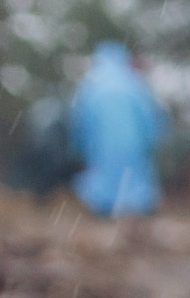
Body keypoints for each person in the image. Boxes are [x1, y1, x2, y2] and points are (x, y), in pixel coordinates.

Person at [69, 42, 165, 217]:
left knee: (104, 187)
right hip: (133, 147)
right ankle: (137, 217)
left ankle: (106, 216)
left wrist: (81, 148)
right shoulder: (133, 84)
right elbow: (151, 121)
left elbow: (79, 126)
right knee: (136, 188)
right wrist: (151, 143)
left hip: (101, 149)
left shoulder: (89, 87)